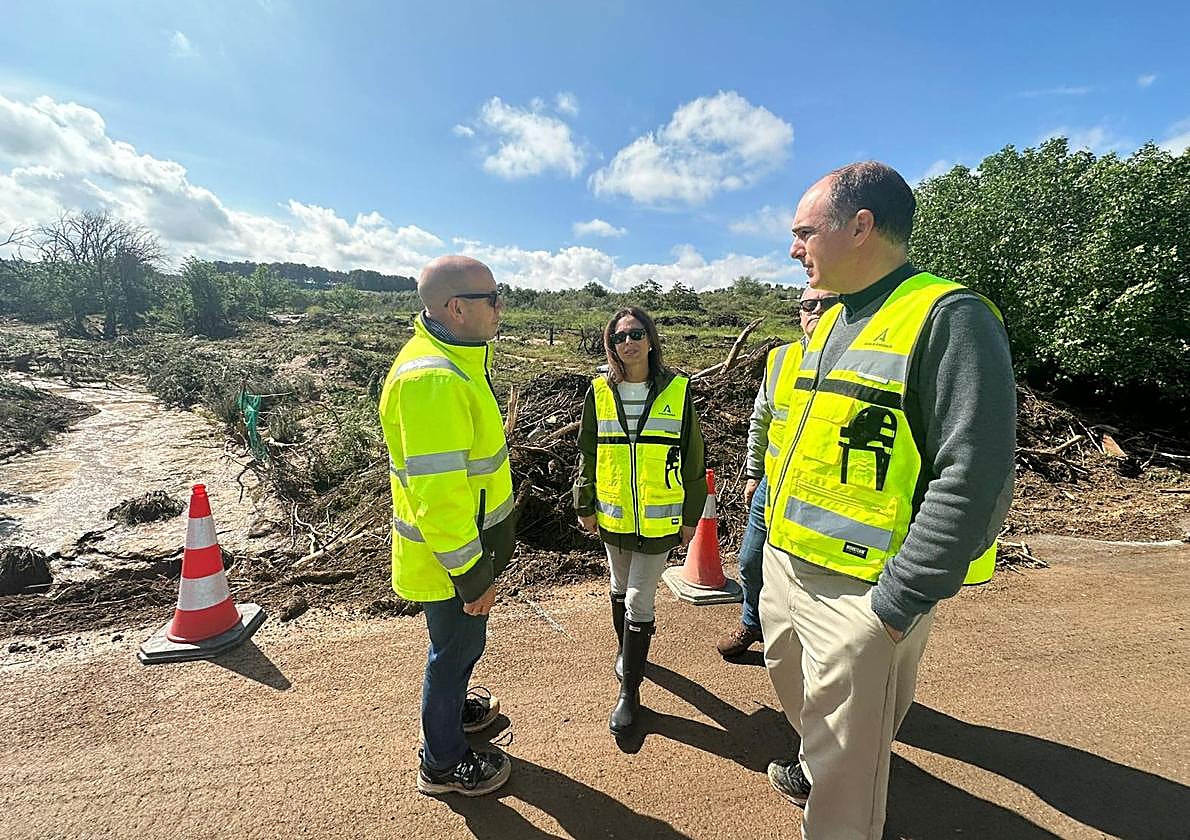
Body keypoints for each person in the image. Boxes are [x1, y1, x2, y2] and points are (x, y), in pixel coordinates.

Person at [759, 162, 1016, 839]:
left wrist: (897, 603)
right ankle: (822, 761)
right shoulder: (834, 320)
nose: (794, 248)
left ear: (861, 227)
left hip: (863, 589)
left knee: (847, 782)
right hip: (788, 569)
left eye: (804, 232)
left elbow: (975, 472)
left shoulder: (948, 317)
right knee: (805, 705)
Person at [378, 255, 517, 797]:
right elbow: (440, 497)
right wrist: (472, 575)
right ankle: (442, 761)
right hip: (452, 561)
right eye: (492, 297)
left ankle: (455, 713)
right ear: (456, 308)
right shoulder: (432, 379)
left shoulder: (457, 358)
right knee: (454, 653)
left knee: (459, 649)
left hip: (463, 553)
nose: (501, 307)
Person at [572, 306, 707, 736]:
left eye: (634, 334)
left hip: (659, 518)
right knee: (617, 587)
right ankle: (626, 653)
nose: (626, 343)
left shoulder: (677, 391)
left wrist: (691, 517)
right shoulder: (598, 391)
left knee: (637, 601)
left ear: (650, 339)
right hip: (612, 515)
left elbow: (693, 457)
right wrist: (584, 504)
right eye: (617, 338)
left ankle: (629, 694)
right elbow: (587, 453)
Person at [715, 286, 839, 658]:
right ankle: (752, 623)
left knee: (811, 575)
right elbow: (761, 420)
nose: (815, 310)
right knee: (751, 561)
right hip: (774, 484)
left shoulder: (857, 359)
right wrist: (754, 473)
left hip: (825, 490)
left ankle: (810, 644)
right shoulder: (780, 359)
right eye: (807, 304)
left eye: (826, 303)